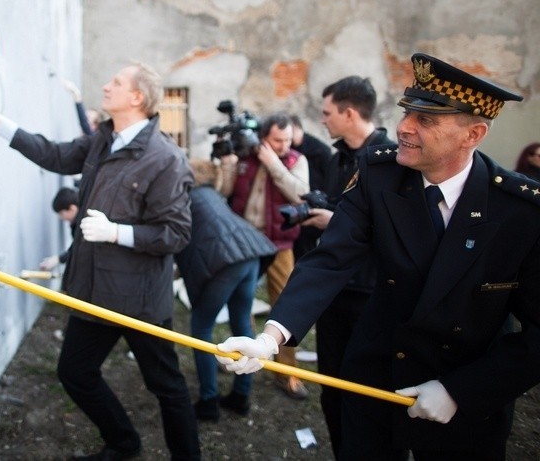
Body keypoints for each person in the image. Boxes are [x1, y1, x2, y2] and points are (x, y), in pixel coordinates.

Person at [217, 53, 540, 460]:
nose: (403, 127)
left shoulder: (520, 210)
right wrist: (270, 339)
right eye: (407, 113)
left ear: (472, 134)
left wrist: (460, 391)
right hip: (376, 378)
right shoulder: (380, 174)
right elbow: (330, 259)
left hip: (466, 394)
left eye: (426, 120)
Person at [0, 62, 200, 460]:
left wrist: (117, 232)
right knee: (75, 373)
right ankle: (123, 442)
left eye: (116, 82)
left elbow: (177, 234)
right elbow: (56, 155)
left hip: (138, 300)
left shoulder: (164, 158)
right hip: (93, 290)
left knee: (166, 386)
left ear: (137, 98)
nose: (105, 85)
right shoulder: (103, 138)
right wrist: (1, 124)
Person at [300, 75, 395, 457]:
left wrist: (333, 221)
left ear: (350, 113)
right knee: (332, 386)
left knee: (370, 392)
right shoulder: (338, 158)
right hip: (335, 294)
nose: (322, 121)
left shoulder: (393, 160)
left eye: (327, 113)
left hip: (372, 295)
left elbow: (394, 231)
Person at [174, 158, 277, 421]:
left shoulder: (185, 199)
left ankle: (208, 401)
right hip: (249, 253)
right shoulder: (210, 194)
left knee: (201, 328)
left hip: (225, 262)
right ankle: (241, 397)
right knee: (242, 321)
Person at [218, 112, 311, 400]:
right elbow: (224, 191)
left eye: (286, 139)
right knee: (240, 304)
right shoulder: (247, 157)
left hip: (280, 244)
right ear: (263, 138)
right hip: (245, 244)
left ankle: (287, 373)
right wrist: (227, 166)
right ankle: (238, 354)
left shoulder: (296, 160)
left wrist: (275, 166)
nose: (282, 145)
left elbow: (301, 195)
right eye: (276, 140)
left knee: (284, 309)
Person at [289, 114, 333, 259]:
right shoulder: (289, 148)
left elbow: (330, 181)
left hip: (316, 206)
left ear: (297, 128)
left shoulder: (320, 151)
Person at [39, 186, 79, 272]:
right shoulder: (78, 221)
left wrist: (58, 259)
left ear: (72, 209)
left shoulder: (84, 224)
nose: (61, 218)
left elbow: (79, 250)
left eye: (61, 213)